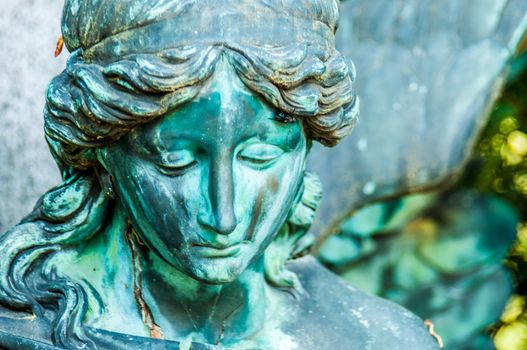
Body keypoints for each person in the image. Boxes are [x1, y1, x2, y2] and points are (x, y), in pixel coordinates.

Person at [0, 0, 439, 349]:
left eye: (261, 157)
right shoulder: (19, 333)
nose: (223, 217)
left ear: (308, 143)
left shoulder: (381, 338)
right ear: (99, 153)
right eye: (175, 161)